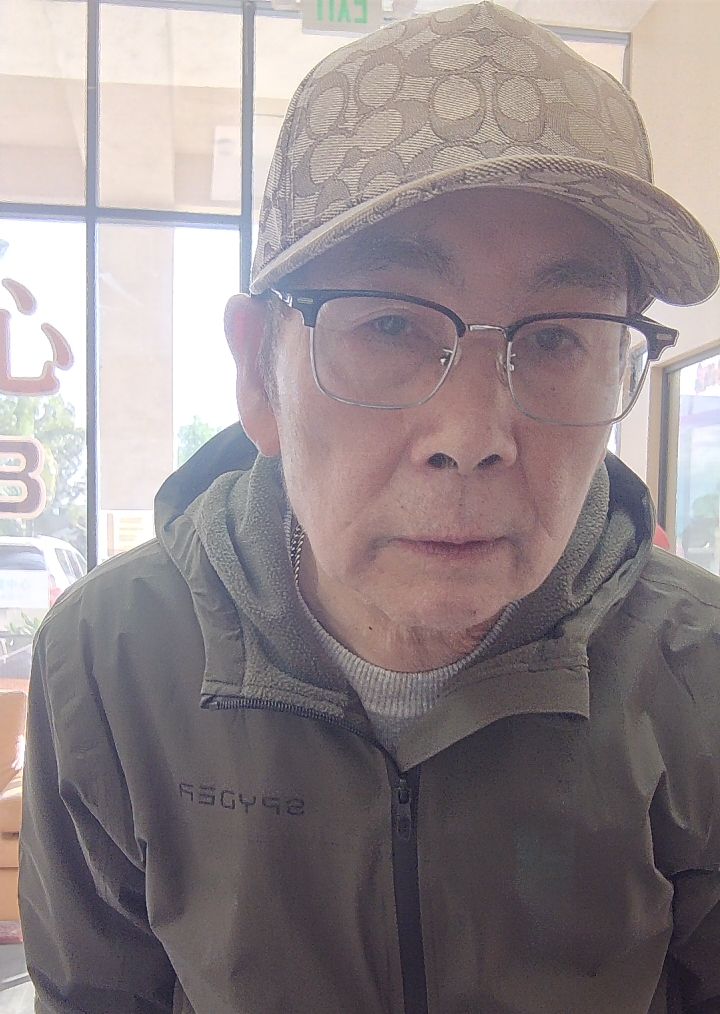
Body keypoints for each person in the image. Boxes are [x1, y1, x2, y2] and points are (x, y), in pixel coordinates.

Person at [19, 4, 720, 1012]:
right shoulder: (110, 660)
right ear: (260, 373)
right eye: (391, 324)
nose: (472, 432)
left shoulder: (698, 676)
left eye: (558, 337)